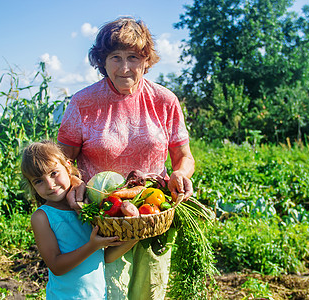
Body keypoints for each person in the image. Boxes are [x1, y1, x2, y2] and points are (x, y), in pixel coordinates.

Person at [57, 16, 195, 299]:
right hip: (103, 221)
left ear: (146, 60)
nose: (124, 68)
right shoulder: (83, 103)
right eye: (115, 57)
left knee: (150, 292)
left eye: (133, 57)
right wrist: (73, 181)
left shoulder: (164, 100)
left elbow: (184, 157)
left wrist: (181, 174)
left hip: (153, 213)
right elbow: (62, 160)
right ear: (101, 61)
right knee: (110, 293)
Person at [21, 140, 137, 299]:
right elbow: (56, 266)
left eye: (54, 173)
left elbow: (105, 257)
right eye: (38, 181)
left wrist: (135, 235)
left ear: (68, 167)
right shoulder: (42, 217)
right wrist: (92, 246)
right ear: (32, 186)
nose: (50, 184)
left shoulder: (88, 208)